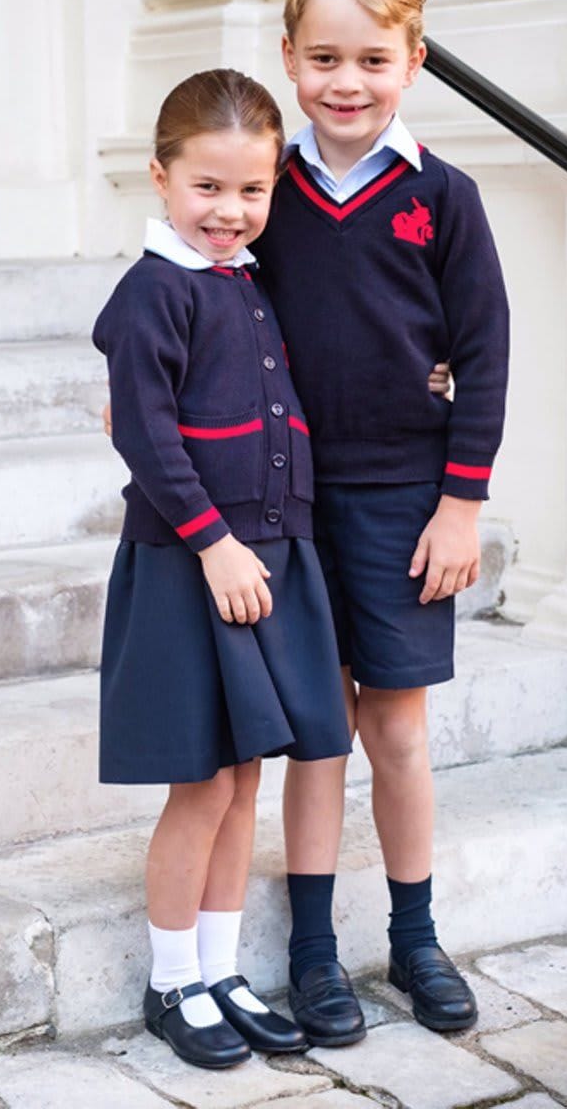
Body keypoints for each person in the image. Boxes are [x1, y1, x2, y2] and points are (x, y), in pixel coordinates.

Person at [249, 0, 510, 1043]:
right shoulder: (266, 190)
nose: (344, 82)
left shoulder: (442, 197)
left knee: (394, 730)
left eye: (371, 58)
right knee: (318, 734)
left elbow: (485, 353)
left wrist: (462, 503)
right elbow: (205, 301)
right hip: (291, 504)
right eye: (322, 58)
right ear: (289, 58)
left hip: (405, 503)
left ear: (414, 61)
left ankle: (414, 938)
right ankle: (314, 958)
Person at [91, 68, 353, 1070]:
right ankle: (170, 985)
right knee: (199, 786)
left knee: (245, 779)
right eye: (208, 188)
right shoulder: (152, 294)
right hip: (193, 566)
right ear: (160, 178)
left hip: (264, 562)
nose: (231, 212)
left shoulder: (239, 277)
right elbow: (150, 441)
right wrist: (215, 542)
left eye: (252, 192)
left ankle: (220, 966)